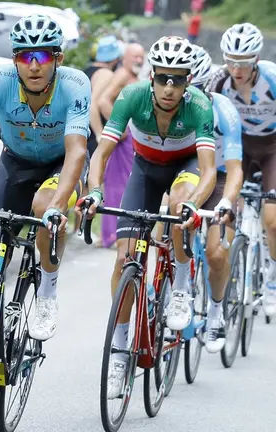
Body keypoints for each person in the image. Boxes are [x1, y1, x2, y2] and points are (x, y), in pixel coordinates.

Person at [0, 13, 90, 409]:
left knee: (45, 208)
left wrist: (60, 206)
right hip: (15, 165)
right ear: (15, 60)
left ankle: (47, 291)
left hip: (60, 166)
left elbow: (77, 150)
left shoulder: (75, 84)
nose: (34, 64)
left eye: (42, 55)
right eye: (25, 56)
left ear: (57, 58)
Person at [79, 36, 216, 399]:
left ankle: (183, 286)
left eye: (179, 80)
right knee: (125, 257)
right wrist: (95, 191)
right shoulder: (132, 97)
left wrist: (194, 204)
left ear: (188, 83)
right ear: (152, 76)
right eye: (163, 78)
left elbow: (209, 170)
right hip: (145, 168)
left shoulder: (200, 106)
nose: (170, 88)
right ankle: (120, 352)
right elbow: (101, 153)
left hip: (184, 168)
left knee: (180, 202)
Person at [208, 23, 276, 317]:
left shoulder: (272, 79)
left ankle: (272, 280)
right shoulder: (218, 81)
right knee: (227, 216)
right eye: (230, 61)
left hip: (273, 148)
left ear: (256, 59)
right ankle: (231, 274)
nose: (236, 69)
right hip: (240, 148)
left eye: (243, 63)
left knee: (272, 221)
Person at [189, 45, 244, 353]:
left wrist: (229, 200)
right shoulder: (166, 104)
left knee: (216, 254)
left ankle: (215, 312)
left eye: (196, 89)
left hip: (221, 176)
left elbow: (237, 168)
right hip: (185, 173)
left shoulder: (224, 110)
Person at [96, 42, 145, 248]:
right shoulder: (123, 75)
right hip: (122, 139)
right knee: (116, 186)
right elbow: (103, 101)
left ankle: (121, 232)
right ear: (124, 58)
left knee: (127, 184)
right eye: (134, 56)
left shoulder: (134, 77)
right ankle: (111, 235)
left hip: (134, 139)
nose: (139, 61)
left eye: (141, 57)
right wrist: (119, 127)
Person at [85, 35, 123, 156]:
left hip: (81, 133)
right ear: (116, 58)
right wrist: (99, 134)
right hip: (92, 136)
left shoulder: (86, 71)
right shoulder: (105, 74)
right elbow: (92, 103)